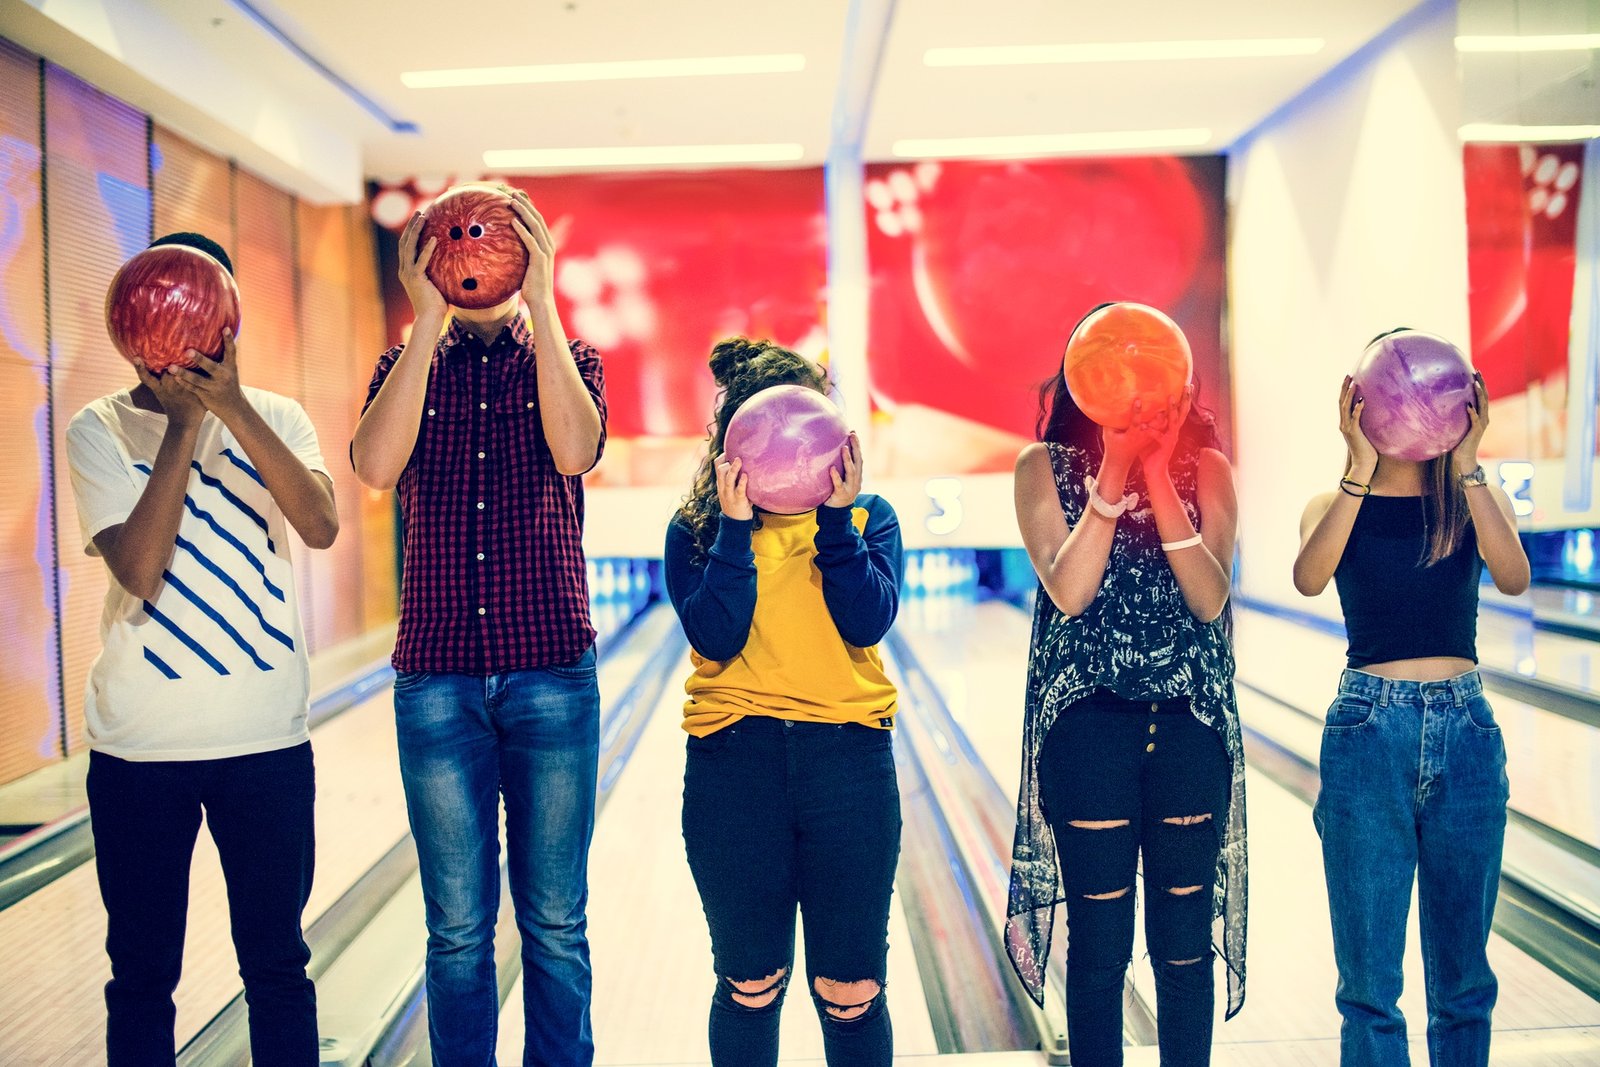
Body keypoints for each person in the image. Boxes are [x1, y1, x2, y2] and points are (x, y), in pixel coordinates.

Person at [67, 231, 338, 1066]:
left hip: (266, 744)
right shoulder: (97, 429)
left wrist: (232, 407)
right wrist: (183, 427)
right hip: (139, 750)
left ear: (228, 321)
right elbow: (141, 569)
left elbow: (322, 525)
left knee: (278, 966)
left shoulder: (279, 417)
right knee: (142, 974)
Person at [350, 185, 606, 1066]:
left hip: (550, 674)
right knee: (457, 929)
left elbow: (575, 451)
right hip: (438, 680)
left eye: (491, 237)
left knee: (555, 923)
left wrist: (542, 296)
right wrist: (422, 320)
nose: (471, 248)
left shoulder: (571, 357)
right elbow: (376, 467)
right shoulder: (401, 367)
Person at [1005, 304, 1248, 1067]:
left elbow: (1208, 599)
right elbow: (1071, 591)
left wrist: (1157, 473)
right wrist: (1114, 473)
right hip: (1089, 734)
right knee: (1101, 948)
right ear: (1085, 377)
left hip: (1187, 732)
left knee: (1183, 953)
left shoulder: (1210, 470)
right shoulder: (1039, 467)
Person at [663, 338, 903, 1067]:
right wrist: (737, 530)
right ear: (734, 443)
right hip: (736, 767)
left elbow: (865, 619)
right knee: (750, 983)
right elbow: (717, 633)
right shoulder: (697, 528)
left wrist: (836, 521)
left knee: (851, 987)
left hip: (850, 765)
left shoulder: (870, 518)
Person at [1292, 343, 1529, 1067]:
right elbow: (1308, 577)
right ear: (1358, 407)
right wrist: (1357, 468)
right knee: (1368, 987)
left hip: (1466, 730)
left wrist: (1471, 462)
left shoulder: (1466, 499)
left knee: (1464, 984)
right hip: (1368, 731)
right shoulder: (1334, 503)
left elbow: (1515, 576)